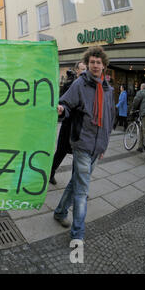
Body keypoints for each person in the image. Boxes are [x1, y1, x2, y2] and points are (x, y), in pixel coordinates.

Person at [54, 46, 115, 242]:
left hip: (98, 148)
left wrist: (104, 145)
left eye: (99, 62)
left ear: (104, 65)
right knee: (82, 191)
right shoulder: (80, 84)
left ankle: (60, 212)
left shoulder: (108, 89)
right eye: (92, 62)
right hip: (82, 144)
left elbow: (109, 118)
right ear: (87, 64)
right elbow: (67, 103)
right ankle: (77, 234)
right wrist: (62, 109)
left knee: (76, 183)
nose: (95, 65)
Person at [49, 61, 86, 185]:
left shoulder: (88, 85)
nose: (85, 70)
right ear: (77, 71)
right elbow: (63, 101)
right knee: (61, 151)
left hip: (80, 126)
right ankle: (50, 173)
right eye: (82, 68)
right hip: (68, 124)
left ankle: (76, 184)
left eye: (86, 68)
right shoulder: (71, 84)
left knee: (78, 156)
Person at [132, 83, 145, 158]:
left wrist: (133, 109)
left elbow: (136, 100)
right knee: (141, 129)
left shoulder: (141, 92)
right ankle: (140, 147)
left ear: (141, 88)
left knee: (144, 130)